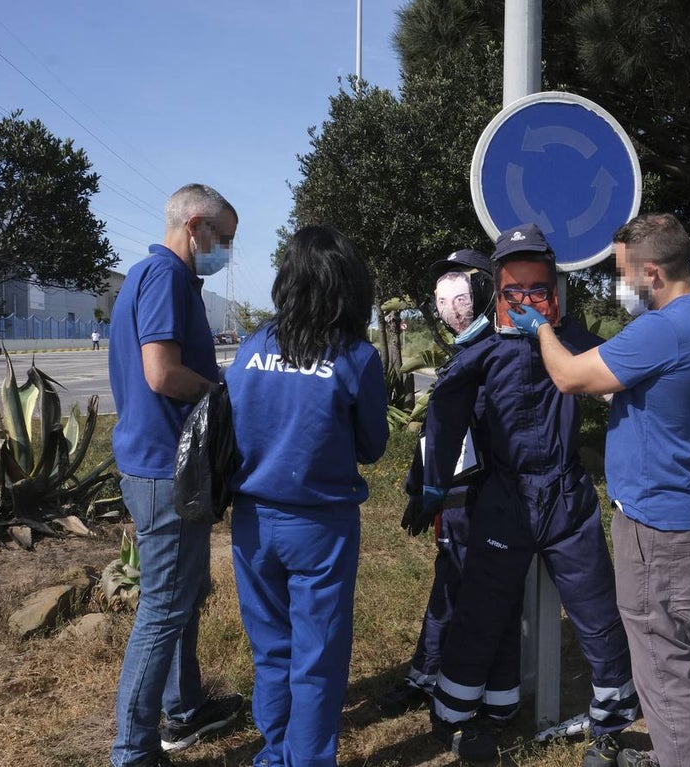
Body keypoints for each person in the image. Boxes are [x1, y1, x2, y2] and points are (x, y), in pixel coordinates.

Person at [510, 213, 690, 767]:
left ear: (654, 273)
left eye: (625, 274)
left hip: (653, 526)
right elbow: (660, 400)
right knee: (667, 655)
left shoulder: (662, 330)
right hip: (686, 513)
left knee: (662, 668)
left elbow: (568, 376)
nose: (623, 285)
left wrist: (540, 326)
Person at [421, 224, 637, 766]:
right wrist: (429, 487)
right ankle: (460, 719)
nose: (526, 303)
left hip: (566, 498)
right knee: (481, 610)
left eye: (537, 291)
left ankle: (611, 724)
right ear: (496, 292)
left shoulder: (577, 342)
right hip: (504, 498)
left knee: (597, 610)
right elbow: (444, 418)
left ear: (556, 292)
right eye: (513, 292)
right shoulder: (481, 351)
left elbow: (630, 382)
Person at [226, 224, 389, 767]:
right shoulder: (356, 358)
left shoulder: (249, 351)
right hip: (320, 527)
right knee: (316, 657)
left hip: (251, 523)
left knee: (271, 651)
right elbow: (372, 446)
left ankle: (273, 755)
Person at [108, 183, 242, 767]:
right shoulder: (163, 277)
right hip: (165, 469)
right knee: (163, 607)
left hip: (159, 463)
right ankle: (133, 750)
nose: (227, 250)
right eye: (225, 239)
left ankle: (185, 710)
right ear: (195, 226)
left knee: (183, 596)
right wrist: (223, 395)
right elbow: (162, 373)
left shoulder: (154, 277)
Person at [378, 248, 524, 720]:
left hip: (492, 502)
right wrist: (422, 483)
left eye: (459, 296)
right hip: (458, 500)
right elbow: (440, 432)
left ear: (484, 293)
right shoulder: (465, 354)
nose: (450, 308)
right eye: (443, 300)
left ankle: (480, 691)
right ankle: (431, 677)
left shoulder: (505, 352)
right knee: (452, 586)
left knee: (487, 597)